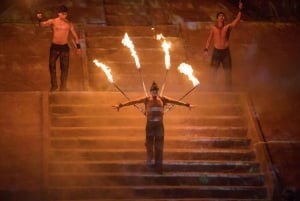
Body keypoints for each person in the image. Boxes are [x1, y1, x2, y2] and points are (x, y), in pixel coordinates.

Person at [113, 82, 192, 174]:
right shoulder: (147, 99)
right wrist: (121, 105)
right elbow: (133, 102)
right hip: (150, 125)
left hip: (159, 126)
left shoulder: (163, 99)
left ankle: (158, 168)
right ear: (150, 92)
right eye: (153, 91)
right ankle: (149, 165)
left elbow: (175, 101)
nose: (154, 92)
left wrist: (187, 105)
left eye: (156, 91)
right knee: (149, 145)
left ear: (158, 92)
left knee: (159, 147)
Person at [37, 5, 81, 91]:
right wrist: (39, 18)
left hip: (64, 48)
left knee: (64, 68)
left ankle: (63, 87)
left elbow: (75, 36)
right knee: (51, 66)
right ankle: (54, 86)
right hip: (54, 47)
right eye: (63, 14)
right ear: (59, 14)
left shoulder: (69, 24)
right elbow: (42, 25)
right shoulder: (53, 21)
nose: (65, 16)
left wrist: (78, 48)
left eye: (66, 14)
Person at [204, 1, 243, 91]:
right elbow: (209, 39)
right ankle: (212, 90)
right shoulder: (213, 28)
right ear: (217, 18)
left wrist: (240, 10)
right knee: (213, 72)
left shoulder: (227, 27)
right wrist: (206, 49)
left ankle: (228, 91)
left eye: (223, 16)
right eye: (220, 16)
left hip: (225, 52)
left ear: (224, 18)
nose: (222, 17)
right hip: (216, 52)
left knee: (228, 72)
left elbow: (236, 21)